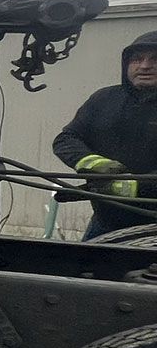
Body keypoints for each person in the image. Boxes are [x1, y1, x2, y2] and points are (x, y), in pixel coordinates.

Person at [53, 30, 157, 239]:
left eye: (155, 59)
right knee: (79, 271)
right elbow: (66, 140)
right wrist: (95, 164)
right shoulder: (104, 99)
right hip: (105, 224)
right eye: (137, 59)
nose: (145, 66)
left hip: (152, 227)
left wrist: (130, 188)